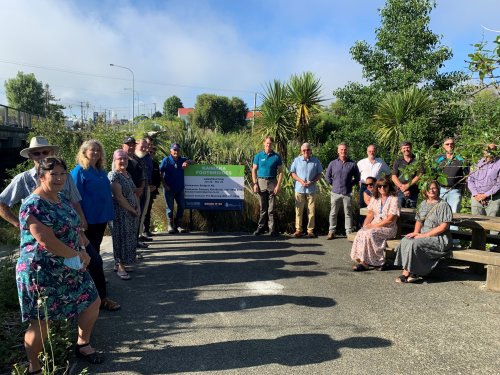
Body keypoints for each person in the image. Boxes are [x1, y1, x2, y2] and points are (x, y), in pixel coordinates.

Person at [0, 137, 118, 312]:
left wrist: (81, 219)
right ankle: (67, 314)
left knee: (94, 261)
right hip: (43, 242)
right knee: (56, 275)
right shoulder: (23, 179)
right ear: (31, 156)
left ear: (51, 153)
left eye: (45, 152)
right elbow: (2, 203)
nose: (41, 156)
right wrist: (19, 224)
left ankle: (100, 299)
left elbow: (74, 200)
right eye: (36, 153)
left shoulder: (63, 174)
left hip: (70, 233)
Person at [16, 157, 103, 373]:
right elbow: (46, 240)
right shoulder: (32, 205)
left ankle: (83, 344)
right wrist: (78, 256)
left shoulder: (61, 199)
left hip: (70, 264)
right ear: (41, 176)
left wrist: (82, 249)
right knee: (42, 321)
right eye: (53, 174)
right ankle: (34, 367)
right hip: (41, 271)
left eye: (62, 174)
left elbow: (75, 228)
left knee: (92, 301)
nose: (59, 178)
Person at [71, 139, 120, 311]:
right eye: (93, 150)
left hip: (101, 218)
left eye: (99, 150)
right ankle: (96, 293)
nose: (96, 153)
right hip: (88, 220)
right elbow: (74, 199)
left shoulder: (99, 170)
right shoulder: (79, 172)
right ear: (84, 152)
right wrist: (81, 218)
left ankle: (93, 283)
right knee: (90, 255)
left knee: (95, 251)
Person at [394, 181, 453, 283]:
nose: (432, 190)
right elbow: (419, 221)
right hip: (423, 235)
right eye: (429, 188)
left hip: (438, 238)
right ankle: (413, 272)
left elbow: (444, 226)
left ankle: (406, 273)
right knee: (406, 240)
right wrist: (416, 233)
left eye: (434, 188)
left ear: (438, 190)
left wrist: (424, 235)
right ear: (425, 190)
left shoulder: (443, 205)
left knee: (415, 243)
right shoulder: (423, 204)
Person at [350, 177, 400, 271]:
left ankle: (373, 262)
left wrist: (373, 226)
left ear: (389, 186)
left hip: (388, 228)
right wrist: (365, 226)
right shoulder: (375, 198)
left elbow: (390, 219)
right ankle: (363, 260)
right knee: (361, 232)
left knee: (370, 233)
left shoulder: (394, 199)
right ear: (377, 187)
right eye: (379, 186)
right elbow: (370, 214)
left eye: (384, 186)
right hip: (375, 225)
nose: (382, 188)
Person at [108, 150, 140, 280]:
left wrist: (138, 207)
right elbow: (119, 198)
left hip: (130, 212)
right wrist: (132, 210)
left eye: (125, 159)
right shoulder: (113, 175)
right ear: (114, 161)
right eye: (119, 159)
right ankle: (119, 264)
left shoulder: (127, 174)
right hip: (120, 213)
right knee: (119, 238)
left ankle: (124, 262)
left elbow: (134, 193)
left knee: (129, 237)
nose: (123, 161)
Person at [325, 142, 360, 239]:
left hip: (347, 193)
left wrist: (349, 185)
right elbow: (327, 176)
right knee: (333, 213)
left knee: (348, 213)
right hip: (335, 192)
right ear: (338, 151)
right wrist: (334, 184)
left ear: (347, 151)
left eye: (345, 149)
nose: (343, 151)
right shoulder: (333, 163)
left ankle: (348, 232)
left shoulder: (352, 164)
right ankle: (331, 231)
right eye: (341, 149)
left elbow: (357, 178)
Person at [251, 136, 284, 236]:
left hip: (272, 182)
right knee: (263, 208)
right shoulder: (259, 156)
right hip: (261, 182)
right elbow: (254, 170)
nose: (268, 145)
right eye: (267, 143)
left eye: (270, 143)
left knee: (271, 209)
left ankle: (272, 229)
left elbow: (281, 172)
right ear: (264, 143)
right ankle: (260, 228)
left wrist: (278, 185)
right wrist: (255, 183)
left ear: (272, 144)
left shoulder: (276, 156)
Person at [290, 143, 323, 238]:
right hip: (299, 189)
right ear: (301, 151)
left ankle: (310, 230)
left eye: (307, 150)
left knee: (311, 210)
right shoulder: (296, 160)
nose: (306, 152)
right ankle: (298, 230)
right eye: (304, 150)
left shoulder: (316, 161)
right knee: (298, 211)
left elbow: (320, 174)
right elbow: (292, 173)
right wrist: (300, 181)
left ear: (310, 150)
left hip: (311, 189)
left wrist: (312, 181)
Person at [436, 137, 468, 236]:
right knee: (440, 214)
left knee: (454, 215)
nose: (450, 146)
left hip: (455, 191)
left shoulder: (461, 159)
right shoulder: (439, 159)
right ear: (443, 146)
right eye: (447, 144)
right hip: (441, 190)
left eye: (452, 144)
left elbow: (467, 175)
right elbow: (433, 175)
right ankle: (440, 236)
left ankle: (454, 239)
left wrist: (462, 189)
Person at [160, 142, 192, 233]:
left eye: (177, 150)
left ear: (180, 151)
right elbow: (160, 173)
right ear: (170, 151)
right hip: (168, 189)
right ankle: (170, 226)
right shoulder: (166, 160)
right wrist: (164, 185)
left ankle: (177, 226)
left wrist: (187, 162)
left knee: (181, 206)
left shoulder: (182, 159)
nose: (176, 151)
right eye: (174, 150)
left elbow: (193, 161)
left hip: (180, 189)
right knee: (170, 208)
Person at [122, 137, 147, 250]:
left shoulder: (137, 158)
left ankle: (135, 241)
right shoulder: (121, 158)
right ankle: (129, 246)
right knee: (129, 221)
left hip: (139, 194)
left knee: (137, 217)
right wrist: (134, 190)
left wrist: (141, 188)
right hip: (127, 195)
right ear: (123, 146)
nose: (131, 147)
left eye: (132, 144)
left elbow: (142, 176)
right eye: (128, 145)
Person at [467, 144, 500, 220]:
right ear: (483, 151)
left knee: (494, 225)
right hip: (476, 198)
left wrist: (485, 195)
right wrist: (476, 194)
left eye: (492, 150)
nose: (489, 152)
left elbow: (499, 184)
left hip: (493, 199)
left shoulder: (499, 164)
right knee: (477, 224)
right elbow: (470, 179)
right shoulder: (477, 162)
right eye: (487, 149)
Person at [392, 141, 421, 208]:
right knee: (399, 212)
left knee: (411, 213)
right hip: (400, 192)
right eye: (404, 148)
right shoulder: (398, 161)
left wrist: (407, 186)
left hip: (413, 191)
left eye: (408, 147)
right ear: (401, 150)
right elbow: (393, 176)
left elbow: (419, 175)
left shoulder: (417, 160)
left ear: (411, 148)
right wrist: (402, 188)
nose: (406, 149)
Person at [135, 138, 153, 241]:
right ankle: (136, 237)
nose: (144, 148)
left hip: (146, 188)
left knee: (143, 212)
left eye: (146, 147)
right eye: (142, 146)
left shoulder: (147, 157)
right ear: (136, 145)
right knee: (137, 212)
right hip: (136, 190)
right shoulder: (131, 157)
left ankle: (139, 234)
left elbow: (149, 172)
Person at [143, 142, 161, 237]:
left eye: (153, 152)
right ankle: (141, 232)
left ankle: (146, 230)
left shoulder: (155, 164)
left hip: (152, 190)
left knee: (148, 210)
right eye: (150, 152)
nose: (151, 154)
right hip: (143, 189)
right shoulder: (141, 161)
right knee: (142, 211)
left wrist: (155, 186)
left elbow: (158, 178)